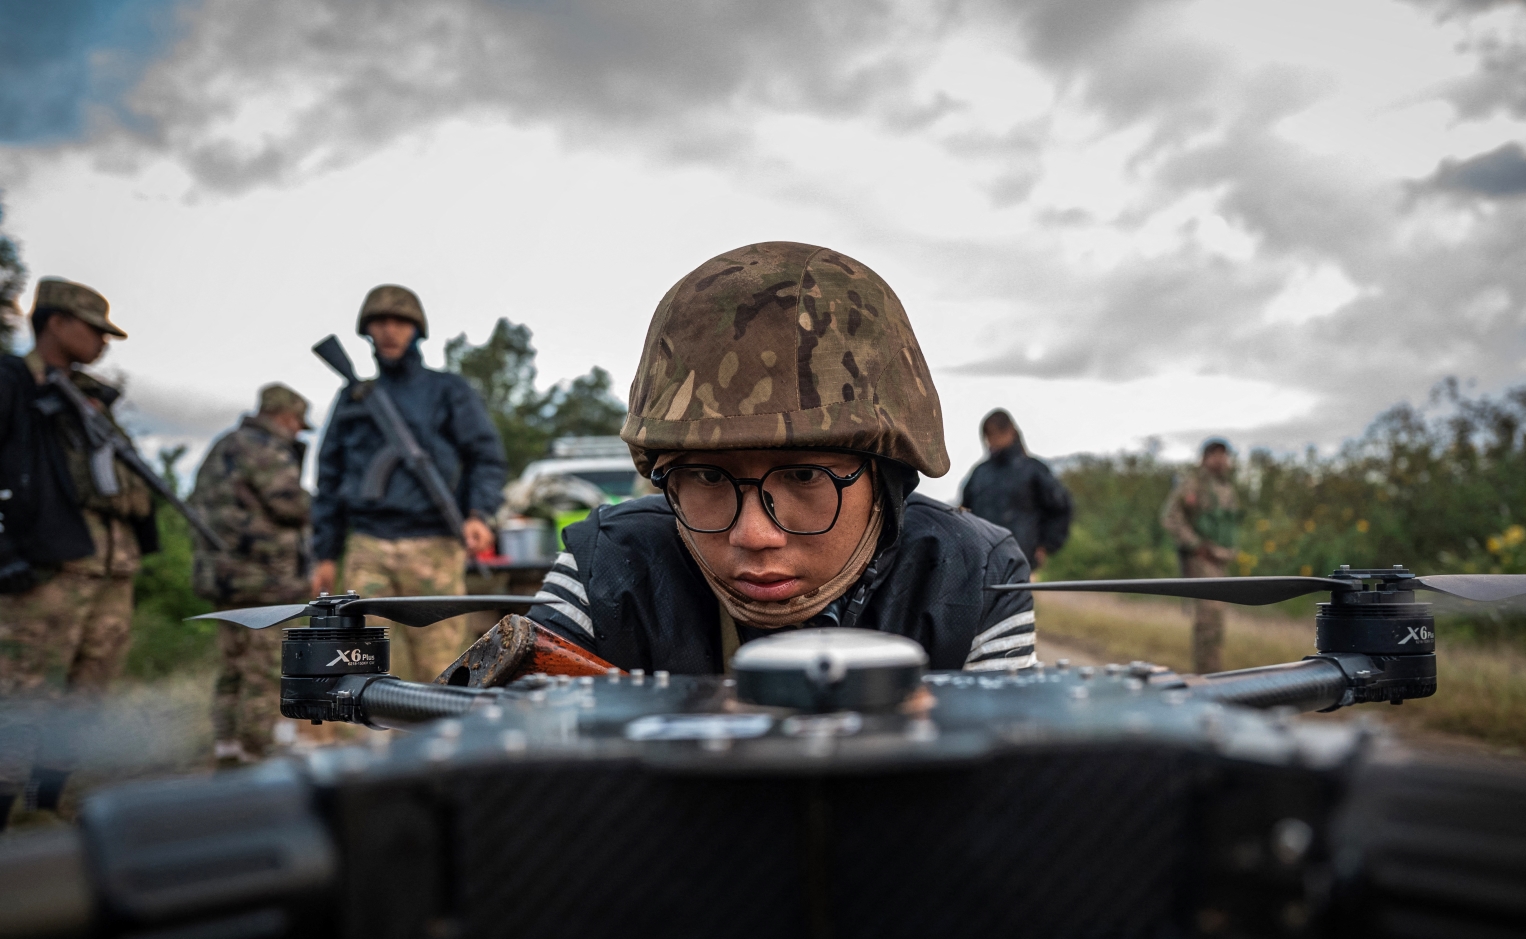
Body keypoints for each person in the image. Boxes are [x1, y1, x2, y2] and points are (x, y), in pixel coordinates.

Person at [522, 241, 1036, 672]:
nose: (754, 535)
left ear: (886, 479)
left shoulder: (968, 576)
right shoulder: (609, 568)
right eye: (705, 476)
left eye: (806, 475)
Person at [0, 277, 156, 824]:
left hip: (111, 568)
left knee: (87, 701)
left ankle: (48, 808)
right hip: (46, 572)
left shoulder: (90, 401)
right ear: (55, 322)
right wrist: (5, 554)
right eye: (94, 330)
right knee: (23, 698)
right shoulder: (13, 383)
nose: (103, 343)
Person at [311, 285, 505, 681]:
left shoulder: (447, 391)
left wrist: (479, 513)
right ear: (367, 332)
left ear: (417, 330)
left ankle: (443, 741)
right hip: (367, 546)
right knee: (358, 667)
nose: (390, 331)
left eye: (400, 322)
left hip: (434, 546)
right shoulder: (353, 397)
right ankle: (368, 744)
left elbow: (485, 457)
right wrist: (325, 554)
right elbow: (328, 477)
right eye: (380, 322)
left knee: (442, 670)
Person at [191, 384, 314, 763]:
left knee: (232, 664)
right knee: (265, 667)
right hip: (264, 581)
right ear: (285, 417)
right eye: (297, 424)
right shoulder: (266, 448)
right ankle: (256, 750)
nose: (297, 432)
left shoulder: (222, 446)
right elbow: (290, 504)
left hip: (224, 578)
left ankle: (225, 743)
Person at [1161, 437, 1241, 674]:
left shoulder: (1226, 487)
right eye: (1216, 454)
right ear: (1206, 458)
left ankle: (1214, 672)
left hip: (1221, 561)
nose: (1221, 460)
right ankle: (1206, 676)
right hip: (1203, 559)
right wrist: (1195, 544)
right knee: (1208, 619)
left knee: (1217, 622)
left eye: (1224, 455)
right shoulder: (1193, 484)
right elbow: (1170, 517)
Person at [960, 409, 1074, 570]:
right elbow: (965, 512)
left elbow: (1060, 508)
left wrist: (1045, 546)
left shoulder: (1033, 470)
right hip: (982, 562)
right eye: (989, 435)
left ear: (1010, 432)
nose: (993, 440)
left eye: (997, 433)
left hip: (1022, 559)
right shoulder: (980, 473)